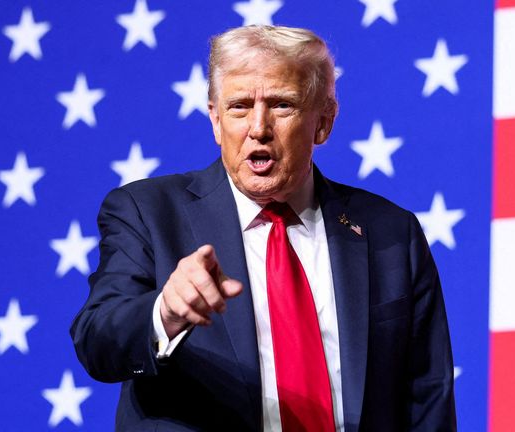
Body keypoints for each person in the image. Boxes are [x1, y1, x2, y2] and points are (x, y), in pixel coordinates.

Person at [70, 25, 456, 431]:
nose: (258, 127)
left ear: (323, 121)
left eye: (281, 105)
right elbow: (97, 338)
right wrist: (163, 313)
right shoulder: (147, 212)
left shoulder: (391, 233)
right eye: (238, 107)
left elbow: (427, 397)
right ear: (216, 122)